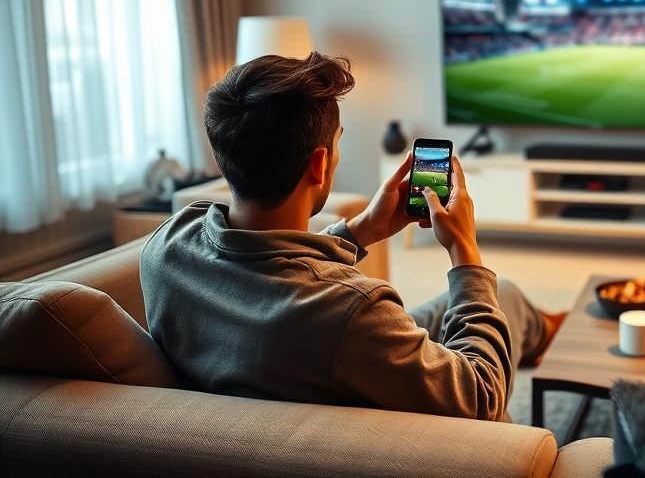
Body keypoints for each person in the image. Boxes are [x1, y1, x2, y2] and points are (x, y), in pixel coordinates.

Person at [140, 52, 565, 421]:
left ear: (221, 150)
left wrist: (361, 230)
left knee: (504, 295)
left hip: (313, 358)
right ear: (320, 164)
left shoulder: (167, 246)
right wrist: (465, 252)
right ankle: (546, 332)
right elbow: (482, 397)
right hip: (341, 357)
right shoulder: (351, 310)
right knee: (488, 294)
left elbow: (276, 268)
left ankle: (545, 331)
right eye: (338, 144)